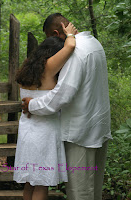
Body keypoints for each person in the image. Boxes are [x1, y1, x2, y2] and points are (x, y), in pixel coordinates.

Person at [22, 13, 113, 200]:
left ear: (56, 33)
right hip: (97, 128)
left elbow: (61, 96)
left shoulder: (76, 52)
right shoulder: (94, 44)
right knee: (93, 191)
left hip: (79, 134)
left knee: (79, 193)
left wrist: (32, 105)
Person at [13, 22, 77, 200]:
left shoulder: (27, 69)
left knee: (30, 182)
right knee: (41, 183)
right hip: (45, 133)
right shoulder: (49, 68)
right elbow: (71, 46)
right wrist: (70, 33)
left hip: (27, 131)